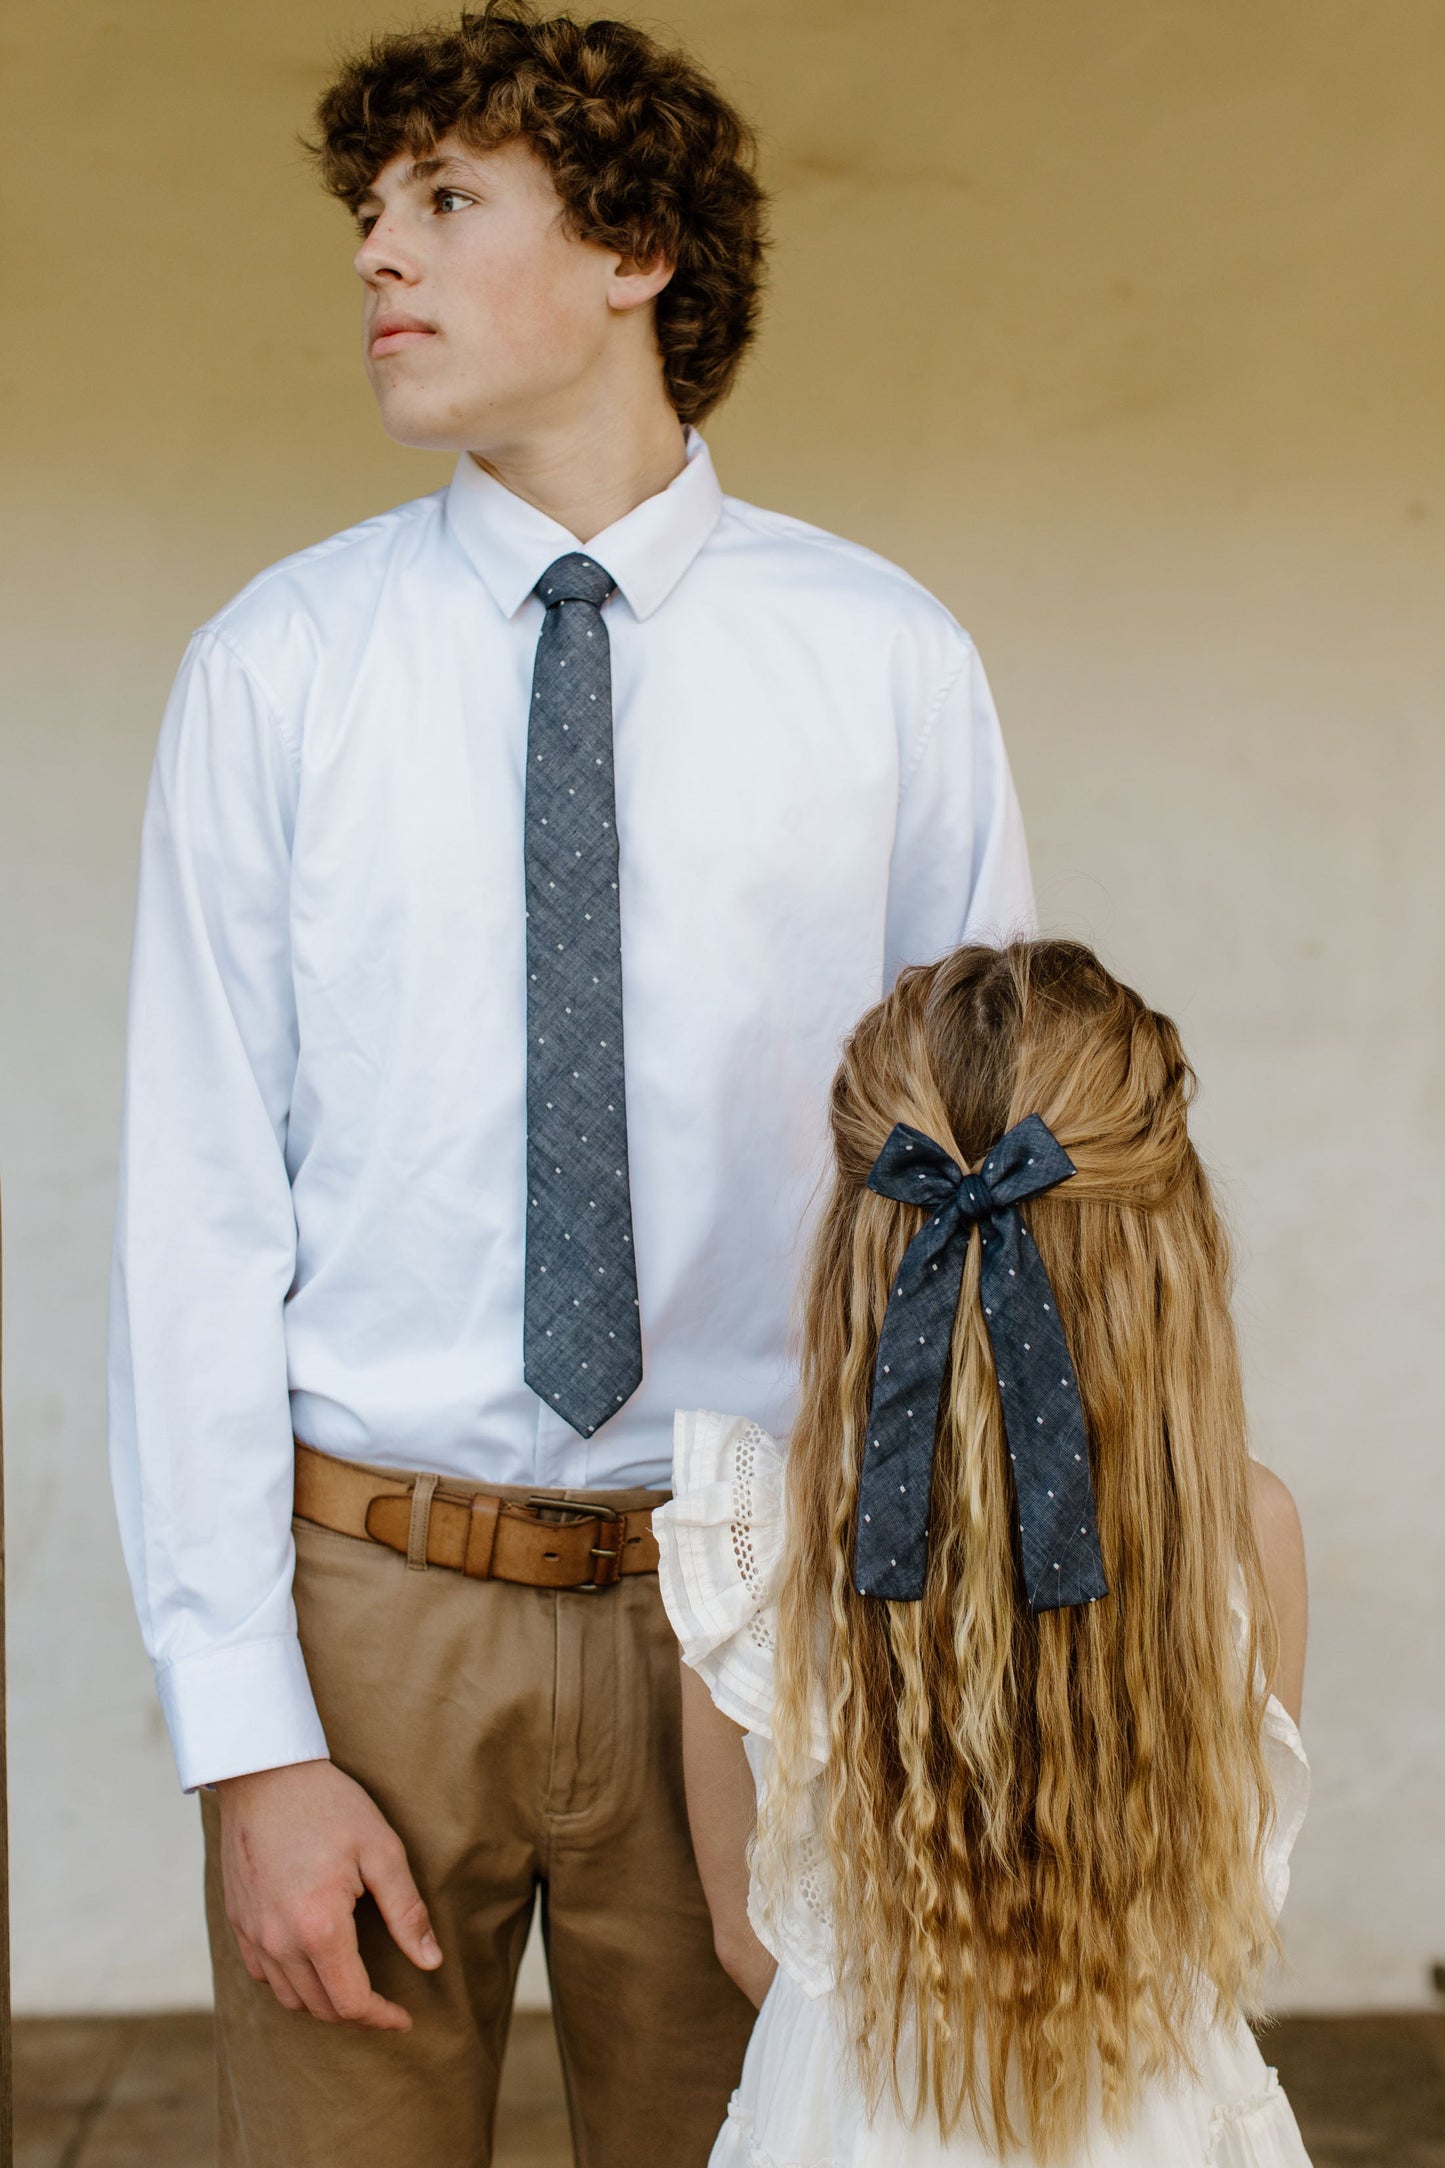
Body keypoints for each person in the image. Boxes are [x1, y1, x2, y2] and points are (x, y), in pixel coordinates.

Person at [107, 6, 1034, 2164]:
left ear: (631, 248)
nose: (373, 256)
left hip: (763, 1608)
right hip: (372, 1614)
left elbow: (983, 1196)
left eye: (441, 199)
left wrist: (913, 1651)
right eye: (366, 210)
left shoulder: (885, 663)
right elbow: (195, 1212)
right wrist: (249, 1745)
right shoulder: (276, 670)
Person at [656, 938, 1313, 2167]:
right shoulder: (1245, 1532)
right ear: (1164, 1252)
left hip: (846, 2128)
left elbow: (750, 1941)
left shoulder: (745, 1539)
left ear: (857, 1237)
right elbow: (1233, 1911)